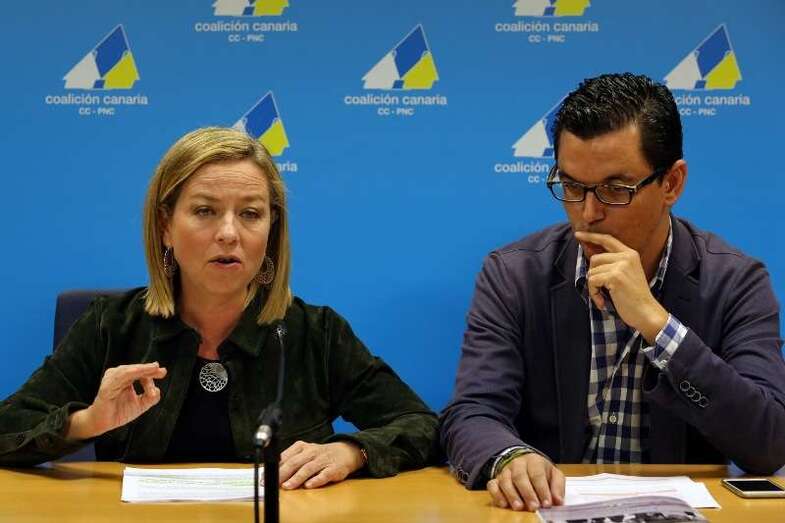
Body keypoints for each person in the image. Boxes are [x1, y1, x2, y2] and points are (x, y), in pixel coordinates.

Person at [0, 127, 438, 489]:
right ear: (165, 226)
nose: (229, 233)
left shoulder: (316, 333)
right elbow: (8, 428)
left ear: (271, 229)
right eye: (205, 211)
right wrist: (87, 422)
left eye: (250, 214)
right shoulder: (111, 326)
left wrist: (351, 452)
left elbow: (421, 424)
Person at [440, 73, 785, 511]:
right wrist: (510, 457)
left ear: (672, 183)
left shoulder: (735, 282)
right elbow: (471, 413)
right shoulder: (513, 276)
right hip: (548, 511)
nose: (588, 213)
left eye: (614, 190)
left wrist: (659, 326)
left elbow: (769, 444)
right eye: (571, 186)